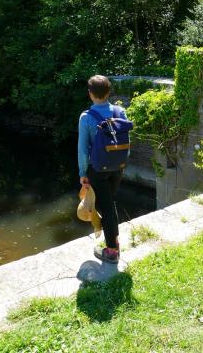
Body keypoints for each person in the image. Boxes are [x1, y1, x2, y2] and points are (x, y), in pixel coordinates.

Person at [77, 75, 129, 264]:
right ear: (109, 92)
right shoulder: (120, 111)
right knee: (108, 203)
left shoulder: (86, 117)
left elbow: (83, 149)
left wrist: (83, 173)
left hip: (97, 169)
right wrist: (122, 163)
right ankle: (113, 239)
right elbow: (125, 142)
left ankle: (112, 251)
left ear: (90, 94)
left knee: (104, 206)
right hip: (118, 167)